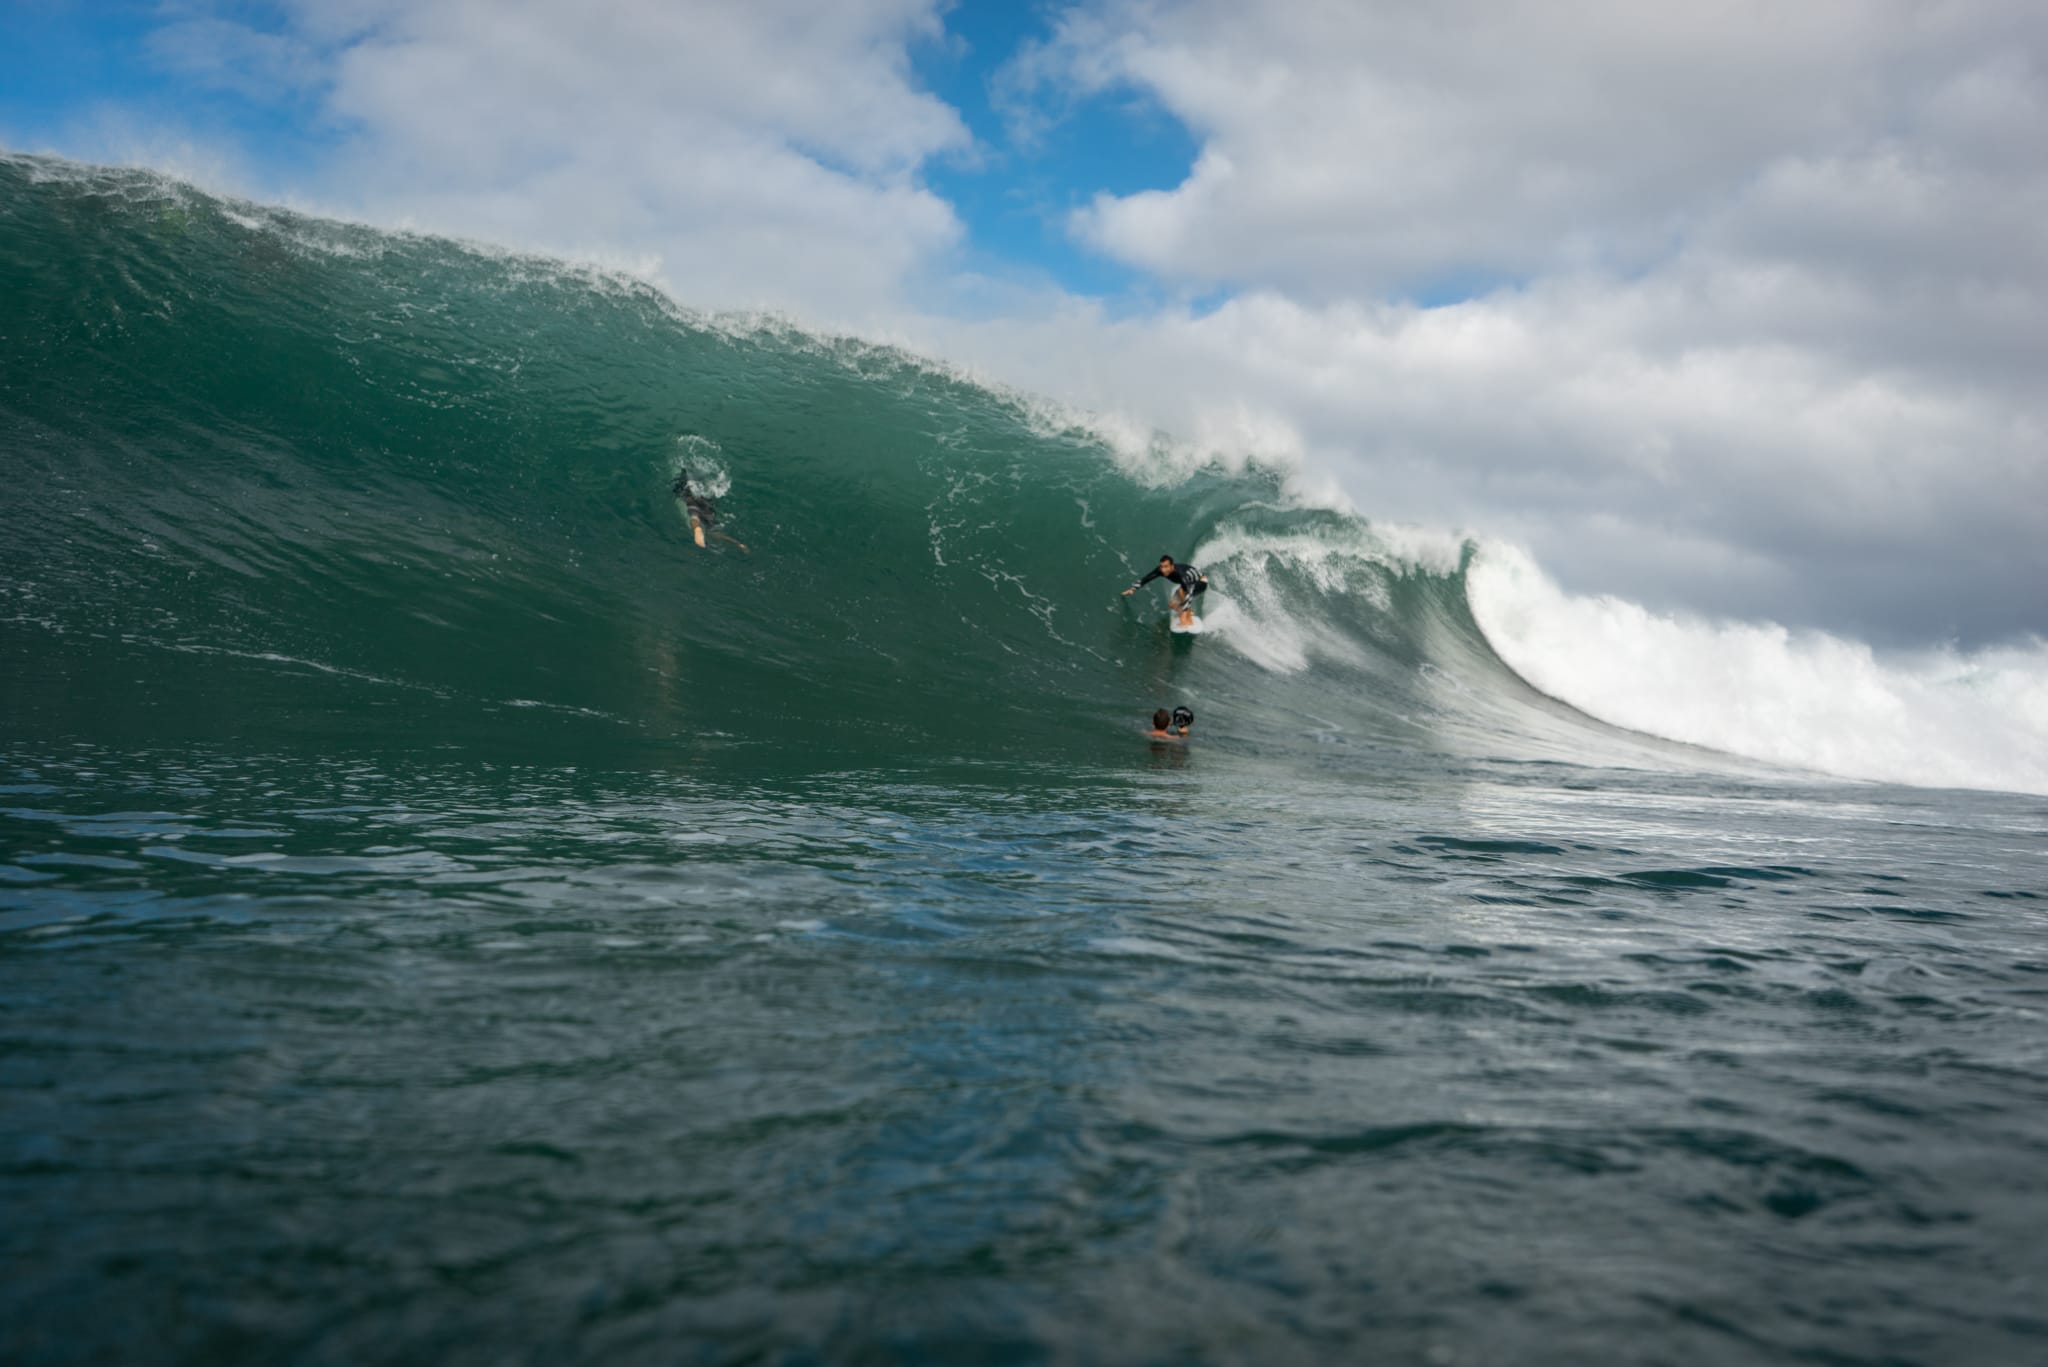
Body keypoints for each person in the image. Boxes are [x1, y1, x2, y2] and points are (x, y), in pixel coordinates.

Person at [672, 471, 748, 553]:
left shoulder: (708, 516)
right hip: (689, 493)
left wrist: (738, 543)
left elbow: (711, 530)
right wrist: (697, 530)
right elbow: (694, 518)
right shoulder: (699, 509)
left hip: (698, 499)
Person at [1122, 554, 1207, 626]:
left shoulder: (1181, 575)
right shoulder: (1160, 570)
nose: (1163, 569)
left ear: (1172, 566)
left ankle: (1188, 620)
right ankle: (1189, 613)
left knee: (1182, 592)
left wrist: (1184, 613)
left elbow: (1189, 592)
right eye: (1162, 566)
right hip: (1188, 584)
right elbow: (1147, 578)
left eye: (1166, 567)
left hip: (1201, 582)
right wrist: (1133, 588)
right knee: (1172, 604)